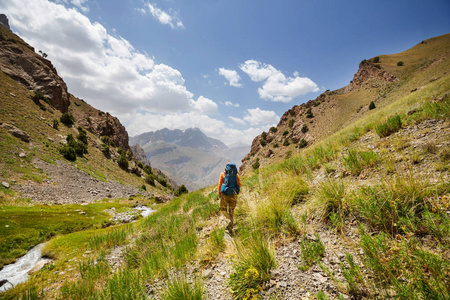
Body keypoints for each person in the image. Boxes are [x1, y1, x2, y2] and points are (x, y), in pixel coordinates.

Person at [218, 163, 241, 232]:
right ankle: (230, 227)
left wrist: (219, 194)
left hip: (225, 195)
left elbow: (220, 185)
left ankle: (228, 222)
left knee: (223, 209)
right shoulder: (236, 175)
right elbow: (239, 184)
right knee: (231, 211)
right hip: (233, 195)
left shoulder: (223, 174)